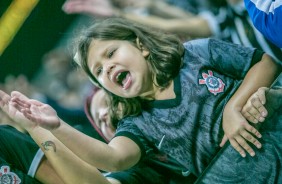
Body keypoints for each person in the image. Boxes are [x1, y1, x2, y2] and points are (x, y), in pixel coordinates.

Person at [0, 17, 281, 183]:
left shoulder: (195, 54)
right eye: (98, 72)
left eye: (110, 54)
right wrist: (57, 126)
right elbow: (113, 157)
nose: (107, 68)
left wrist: (234, 107)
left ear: (142, 46)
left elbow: (265, 63)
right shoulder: (137, 124)